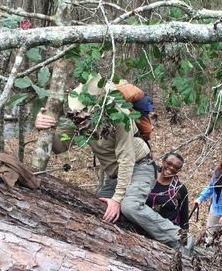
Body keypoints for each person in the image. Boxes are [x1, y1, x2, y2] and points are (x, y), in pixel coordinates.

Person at [34, 75, 190, 252]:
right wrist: (42, 126)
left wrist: (117, 199)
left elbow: (126, 159)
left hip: (140, 166)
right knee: (95, 206)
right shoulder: (78, 120)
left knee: (130, 206)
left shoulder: (119, 117)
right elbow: (58, 146)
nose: (81, 113)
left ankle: (181, 239)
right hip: (114, 175)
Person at [147, 152, 190, 231]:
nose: (171, 168)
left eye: (176, 167)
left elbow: (184, 217)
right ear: (163, 161)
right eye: (169, 163)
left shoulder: (180, 189)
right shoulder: (149, 177)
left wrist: (184, 236)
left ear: (179, 170)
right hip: (143, 223)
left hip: (166, 230)